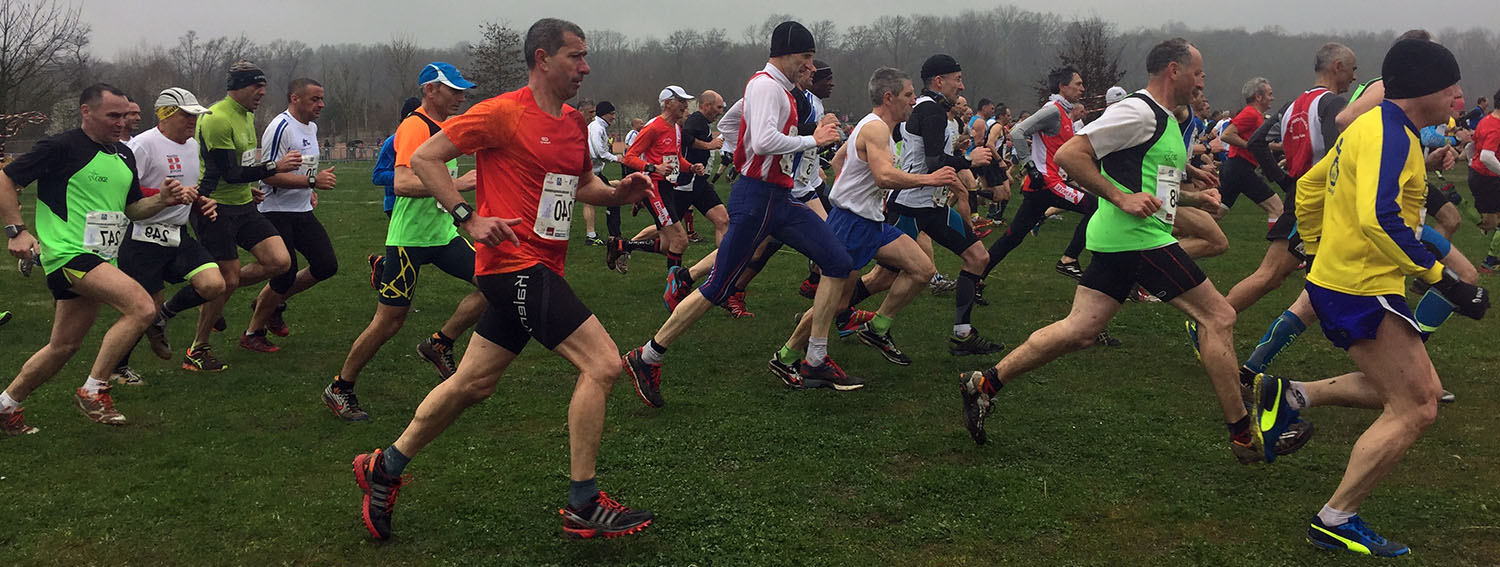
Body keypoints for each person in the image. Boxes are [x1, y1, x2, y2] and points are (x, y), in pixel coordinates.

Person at [351, 18, 656, 541]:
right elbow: (426, 159)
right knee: (604, 364)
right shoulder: (501, 112)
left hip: (542, 267)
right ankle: (583, 500)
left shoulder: (572, 125)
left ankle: (386, 465)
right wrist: (466, 217)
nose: (585, 68)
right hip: (512, 267)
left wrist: (620, 193)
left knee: (472, 384)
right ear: (542, 58)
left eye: (586, 58)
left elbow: (581, 185)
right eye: (575, 57)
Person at [956, 39, 1301, 468]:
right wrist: (1120, 198)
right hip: (1137, 238)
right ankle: (1244, 435)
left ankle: (983, 384)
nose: (1202, 80)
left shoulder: (1168, 119)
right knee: (1219, 316)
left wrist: (1196, 198)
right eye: (1198, 72)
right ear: (1173, 71)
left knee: (1079, 330)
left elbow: (1153, 184)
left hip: (1124, 239)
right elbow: (1070, 154)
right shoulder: (1138, 110)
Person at [1288, 39, 1488, 556]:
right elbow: (1381, 218)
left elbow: (1310, 188)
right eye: (1452, 86)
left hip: (1350, 283)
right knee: (1417, 404)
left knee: (1413, 391)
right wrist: (1445, 281)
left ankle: (1290, 396)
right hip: (1360, 288)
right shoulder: (1387, 133)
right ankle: (1336, 517)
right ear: (1427, 89)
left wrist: (1314, 251)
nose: (1458, 95)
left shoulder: (1375, 128)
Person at [623, 20, 852, 409]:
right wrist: (813, 138)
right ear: (788, 54)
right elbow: (763, 141)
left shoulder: (786, 90)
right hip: (756, 198)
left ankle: (814, 357)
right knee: (718, 287)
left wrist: (815, 128)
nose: (812, 67)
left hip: (780, 199)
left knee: (839, 262)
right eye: (808, 58)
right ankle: (646, 356)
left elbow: (768, 136)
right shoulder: (765, 85)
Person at [0, 83, 197, 434]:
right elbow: (4, 178)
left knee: (63, 346)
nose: (122, 122)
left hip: (101, 258)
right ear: (86, 112)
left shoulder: (124, 154)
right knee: (141, 306)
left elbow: (133, 209)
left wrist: (164, 199)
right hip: (68, 254)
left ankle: (6, 405)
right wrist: (17, 231)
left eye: (125, 115)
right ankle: (94, 390)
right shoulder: (62, 146)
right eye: (113, 116)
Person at [325, 61, 489, 420]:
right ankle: (340, 387)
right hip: (409, 238)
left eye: (462, 91)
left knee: (493, 284)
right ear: (431, 90)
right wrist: (457, 186)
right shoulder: (415, 126)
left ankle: (439, 343)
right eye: (453, 90)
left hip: (442, 233)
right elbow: (400, 184)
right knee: (389, 321)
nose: (460, 97)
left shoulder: (447, 125)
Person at [810, 67, 957, 366]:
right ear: (889, 98)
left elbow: (839, 160)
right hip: (851, 222)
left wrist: (851, 186)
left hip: (871, 221)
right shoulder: (876, 128)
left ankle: (878, 327)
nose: (914, 100)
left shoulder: (883, 130)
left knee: (923, 269)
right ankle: (789, 354)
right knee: (837, 303)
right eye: (908, 95)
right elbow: (883, 177)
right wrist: (930, 179)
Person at [174, 61, 298, 372]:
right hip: (214, 207)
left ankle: (212, 292)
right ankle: (197, 349)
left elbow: (242, 165)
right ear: (238, 87)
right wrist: (274, 168)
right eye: (256, 86)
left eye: (264, 86)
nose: (262, 92)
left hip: (244, 205)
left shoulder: (246, 115)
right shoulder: (217, 118)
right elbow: (228, 172)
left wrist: (252, 188)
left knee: (280, 262)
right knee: (227, 279)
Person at [888, 54, 1004, 356]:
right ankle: (830, 315)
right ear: (939, 81)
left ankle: (962, 334)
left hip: (934, 205)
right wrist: (969, 160)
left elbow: (931, 152)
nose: (961, 86)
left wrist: (959, 152)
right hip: (910, 206)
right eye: (958, 79)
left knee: (978, 257)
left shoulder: (937, 111)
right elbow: (932, 162)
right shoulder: (932, 111)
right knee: (882, 277)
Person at [116, 88, 228, 386]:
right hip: (141, 238)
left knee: (215, 284)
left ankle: (162, 318)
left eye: (195, 116)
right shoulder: (142, 145)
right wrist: (167, 195)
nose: (192, 122)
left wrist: (202, 202)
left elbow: (187, 191)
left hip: (177, 234)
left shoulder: (192, 146)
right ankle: (118, 366)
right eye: (186, 116)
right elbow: (123, 194)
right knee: (141, 311)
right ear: (164, 115)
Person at [238, 78, 340, 350]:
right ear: (295, 98)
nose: (321, 104)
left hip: (301, 208)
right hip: (276, 209)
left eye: (321, 99)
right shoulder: (280, 127)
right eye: (314, 99)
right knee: (284, 272)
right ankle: (252, 333)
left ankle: (272, 301)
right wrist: (311, 183)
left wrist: (309, 189)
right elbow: (268, 176)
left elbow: (301, 168)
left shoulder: (311, 127)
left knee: (326, 265)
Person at [366, 97, 422, 290]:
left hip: (420, 203)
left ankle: (383, 266)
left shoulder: (425, 138)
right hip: (396, 204)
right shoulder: (394, 141)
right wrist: (403, 176)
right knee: (409, 252)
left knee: (420, 250)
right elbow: (377, 175)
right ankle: (395, 293)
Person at [1217, 77, 1284, 225]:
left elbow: (1259, 144)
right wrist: (1249, 145)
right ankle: (1278, 247)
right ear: (1258, 96)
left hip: (1234, 169)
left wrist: (1281, 147)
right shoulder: (1251, 114)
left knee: (1217, 212)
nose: (1272, 98)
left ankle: (1180, 234)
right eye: (1269, 94)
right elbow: (1227, 135)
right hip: (1240, 168)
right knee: (1277, 207)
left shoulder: (1257, 116)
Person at [585, 100, 622, 245]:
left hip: (592, 172)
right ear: (604, 114)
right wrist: (616, 158)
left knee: (589, 202)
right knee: (613, 199)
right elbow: (597, 152)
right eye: (611, 113)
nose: (613, 116)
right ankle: (615, 236)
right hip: (591, 173)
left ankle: (593, 235)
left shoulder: (599, 127)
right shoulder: (596, 128)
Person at [1471, 89, 1500, 272]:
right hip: (1488, 178)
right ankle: (1489, 261)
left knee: (1492, 220)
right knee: (1491, 222)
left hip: (1477, 174)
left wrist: (1469, 162)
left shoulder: (1486, 120)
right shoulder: (1497, 127)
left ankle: (1490, 260)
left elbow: (1472, 145)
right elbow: (1487, 157)